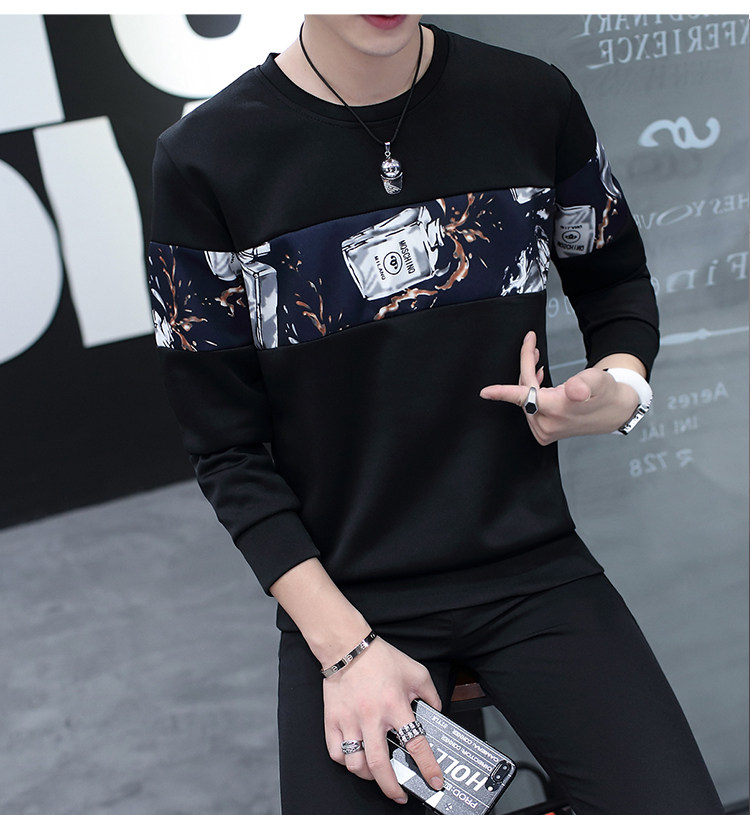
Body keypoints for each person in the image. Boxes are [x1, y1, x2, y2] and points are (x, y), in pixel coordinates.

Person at [147, 14, 725, 815]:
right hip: (346, 595)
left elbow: (613, 276)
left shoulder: (529, 100)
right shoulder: (205, 157)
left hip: (533, 568)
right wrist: (345, 651)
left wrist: (622, 386)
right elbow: (225, 446)